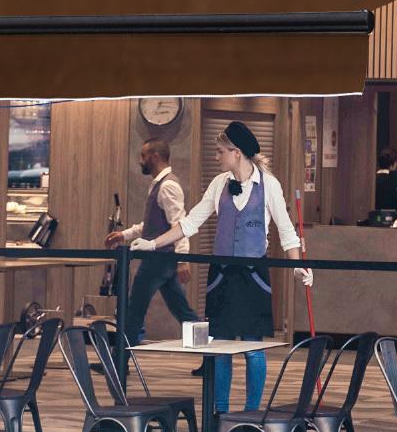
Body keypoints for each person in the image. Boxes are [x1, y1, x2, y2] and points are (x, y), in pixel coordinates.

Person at [130, 121, 312, 414]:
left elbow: (287, 231)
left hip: (254, 277)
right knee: (220, 350)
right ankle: (221, 413)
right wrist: (152, 244)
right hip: (221, 277)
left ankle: (251, 415)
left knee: (253, 349)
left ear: (236, 152)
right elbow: (189, 223)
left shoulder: (269, 185)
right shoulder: (218, 184)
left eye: (220, 152)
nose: (216, 157)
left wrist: (296, 267)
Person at [106, 138, 200, 348]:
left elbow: (180, 225)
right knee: (183, 311)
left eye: (143, 155)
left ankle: (119, 359)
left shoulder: (168, 186)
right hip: (164, 260)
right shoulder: (159, 184)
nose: (140, 160)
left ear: (155, 157)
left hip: (157, 260)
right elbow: (151, 225)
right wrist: (124, 235)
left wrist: (182, 260)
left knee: (134, 311)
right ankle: (209, 358)